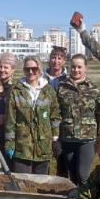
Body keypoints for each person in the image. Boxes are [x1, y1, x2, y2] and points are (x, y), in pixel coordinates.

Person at [4, 56, 61, 199]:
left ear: (39, 69)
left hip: (43, 148)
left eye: (34, 69)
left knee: (39, 191)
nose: (31, 73)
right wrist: (10, 143)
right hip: (22, 146)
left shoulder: (48, 91)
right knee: (21, 190)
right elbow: (10, 119)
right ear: (23, 70)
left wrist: (55, 139)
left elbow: (55, 115)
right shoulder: (16, 91)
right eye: (27, 69)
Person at [57, 54, 100, 187]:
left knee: (83, 175)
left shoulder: (94, 88)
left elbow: (99, 114)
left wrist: (99, 136)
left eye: (79, 67)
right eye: (73, 67)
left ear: (85, 68)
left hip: (88, 138)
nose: (76, 70)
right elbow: (56, 112)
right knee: (72, 175)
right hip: (67, 137)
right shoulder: (61, 87)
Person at [43, 46, 69, 178]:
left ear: (64, 60)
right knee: (43, 159)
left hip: (63, 123)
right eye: (53, 57)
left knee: (61, 159)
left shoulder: (68, 78)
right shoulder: (42, 77)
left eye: (59, 58)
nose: (56, 61)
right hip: (44, 123)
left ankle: (62, 193)